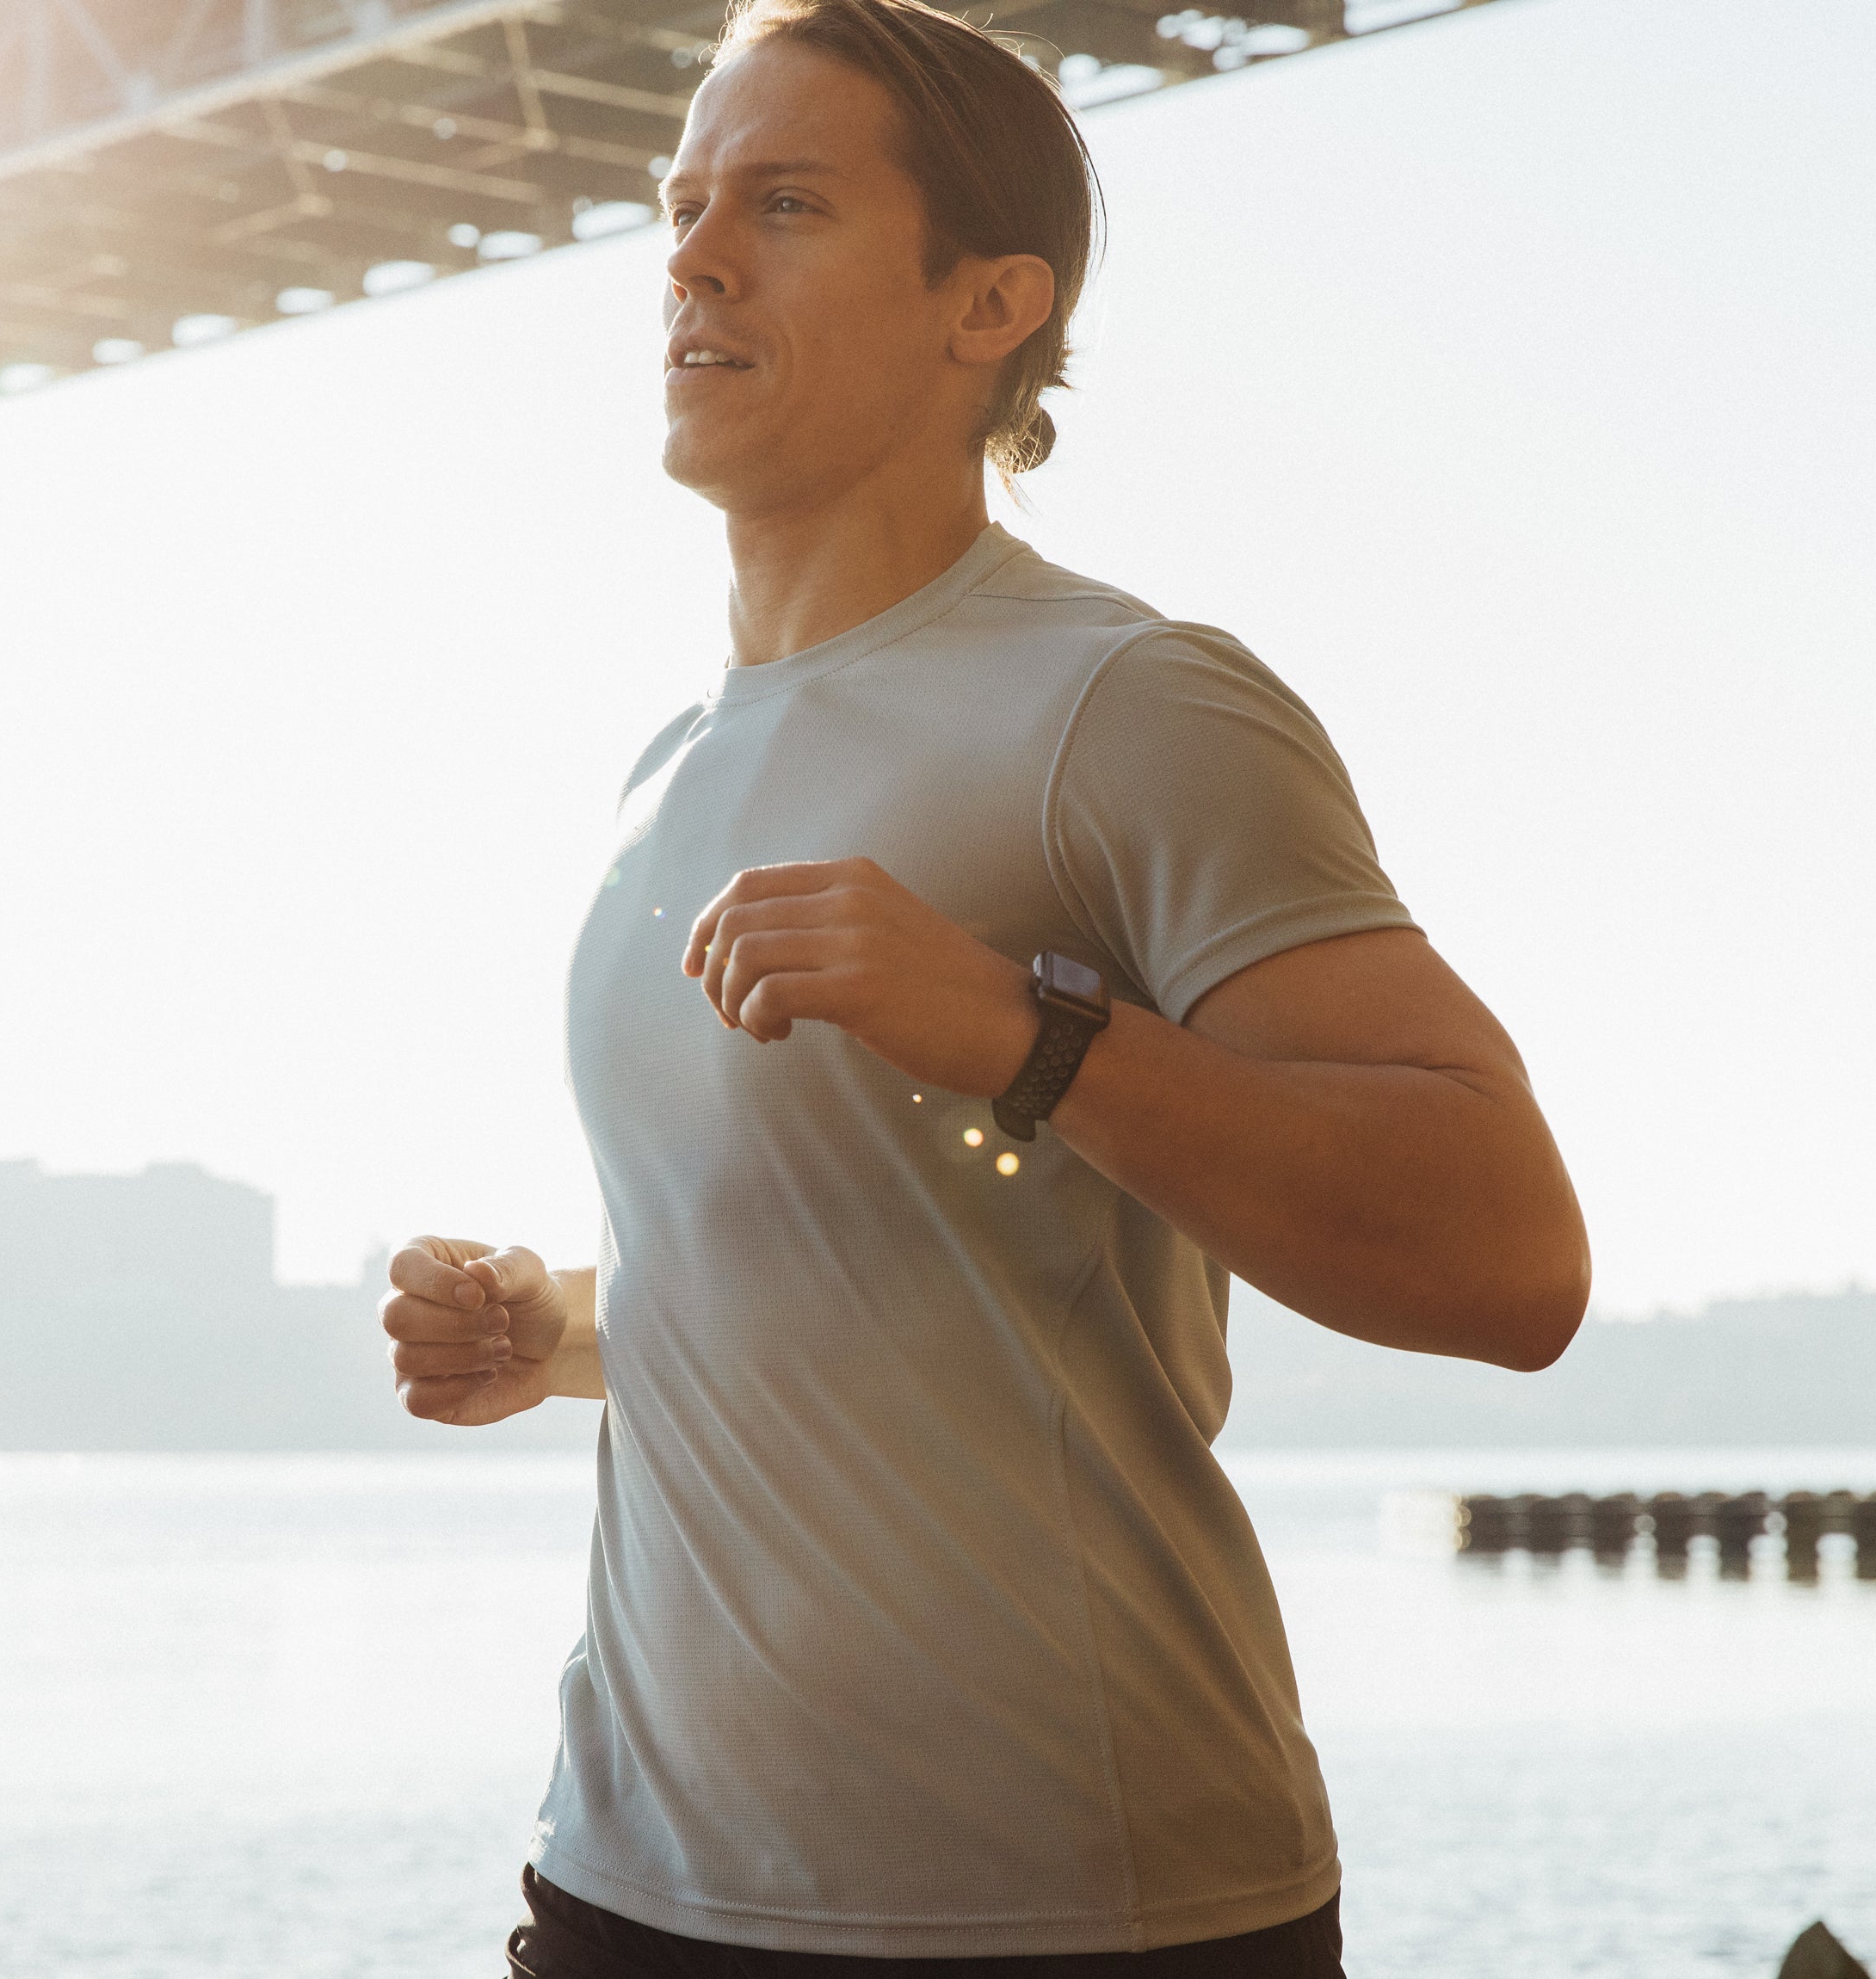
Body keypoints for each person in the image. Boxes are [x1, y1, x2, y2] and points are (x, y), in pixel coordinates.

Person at [377, 0, 1592, 1970]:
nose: (689, 257)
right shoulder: (663, 771)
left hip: (1076, 1911)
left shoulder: (1131, 703)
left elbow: (1512, 1261)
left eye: (782, 203)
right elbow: (870, 1270)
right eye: (682, 206)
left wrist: (1028, 1035)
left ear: (990, 305)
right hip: (622, 1888)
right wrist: (564, 1325)